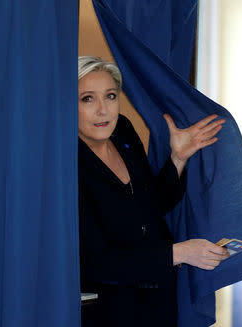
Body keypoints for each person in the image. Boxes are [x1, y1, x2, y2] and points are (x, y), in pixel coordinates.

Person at [78, 56, 229, 327]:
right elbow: (96, 262)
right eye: (87, 99)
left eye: (111, 96)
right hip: (110, 312)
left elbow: (151, 206)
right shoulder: (67, 167)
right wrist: (180, 253)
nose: (103, 110)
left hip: (158, 303)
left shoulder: (122, 131)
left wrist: (178, 159)